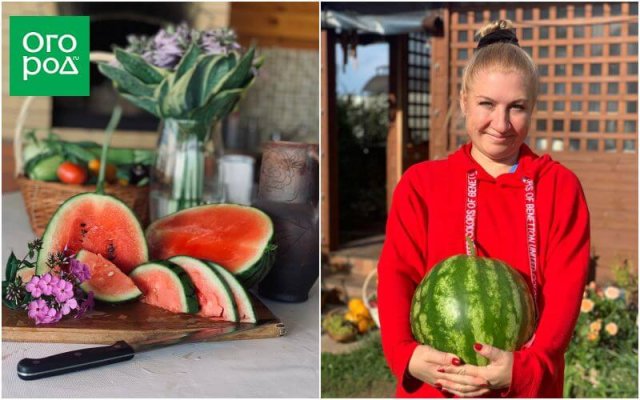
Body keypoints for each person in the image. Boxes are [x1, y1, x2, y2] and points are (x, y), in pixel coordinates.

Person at [377, 20, 590, 398]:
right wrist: (406, 355)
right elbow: (396, 274)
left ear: (533, 107)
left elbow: (565, 294)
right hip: (437, 384)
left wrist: (524, 368)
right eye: (487, 104)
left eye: (517, 107)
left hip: (525, 386)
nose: (501, 124)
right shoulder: (421, 184)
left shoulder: (559, 187)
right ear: (463, 100)